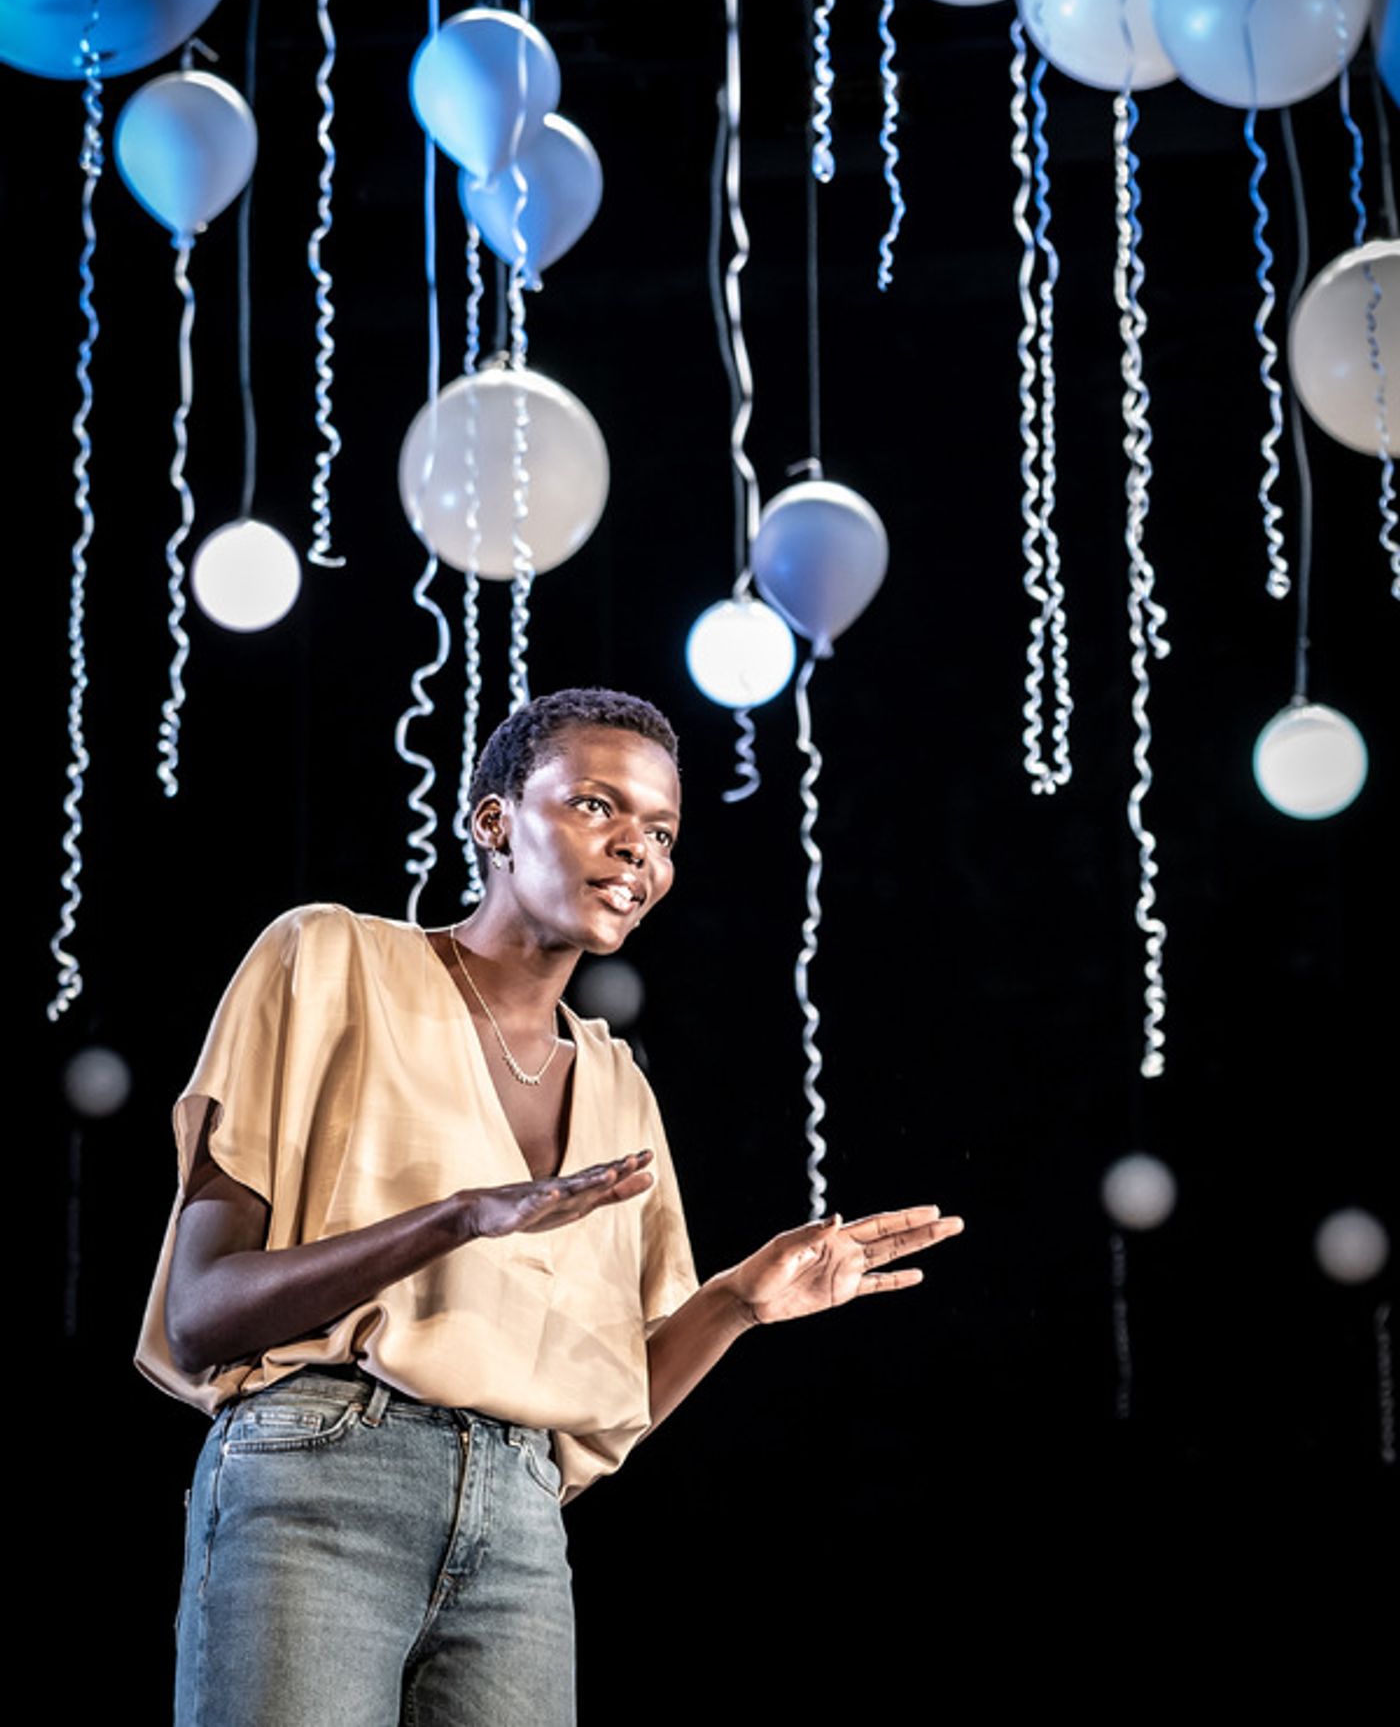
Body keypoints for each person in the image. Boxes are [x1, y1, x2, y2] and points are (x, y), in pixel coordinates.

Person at [138, 687, 963, 1727]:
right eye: (593, 806)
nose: (635, 852)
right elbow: (202, 1313)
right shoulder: (331, 960)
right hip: (320, 1476)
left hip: (521, 1526)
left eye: (659, 832)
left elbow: (602, 1403)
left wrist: (735, 1305)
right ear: (492, 821)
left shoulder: (620, 1090)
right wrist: (455, 1220)